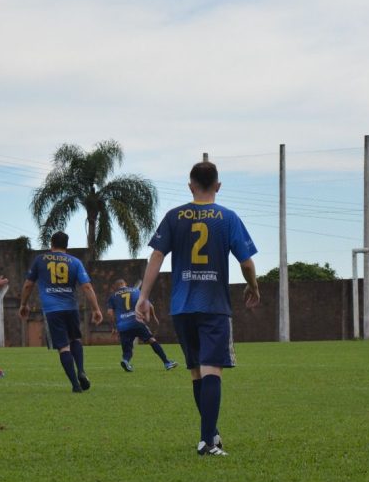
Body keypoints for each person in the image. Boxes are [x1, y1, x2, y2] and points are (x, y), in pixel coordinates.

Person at [135, 161, 259, 456]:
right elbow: (246, 262)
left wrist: (143, 296)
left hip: (182, 306)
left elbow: (156, 257)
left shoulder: (174, 216)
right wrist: (253, 286)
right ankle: (208, 441)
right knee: (212, 370)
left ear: (190, 186)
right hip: (214, 305)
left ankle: (210, 432)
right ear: (218, 185)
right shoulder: (227, 218)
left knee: (195, 373)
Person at [19, 231, 103, 393]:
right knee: (75, 339)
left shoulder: (40, 260)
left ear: (51, 244)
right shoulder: (75, 262)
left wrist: (23, 304)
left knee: (63, 347)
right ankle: (81, 371)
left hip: (52, 310)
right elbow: (86, 286)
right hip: (71, 308)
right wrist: (96, 309)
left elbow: (28, 285)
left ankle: (75, 385)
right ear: (67, 245)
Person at [106, 278, 177, 372]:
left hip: (122, 326)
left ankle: (125, 361)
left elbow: (110, 313)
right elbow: (149, 305)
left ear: (115, 287)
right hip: (136, 321)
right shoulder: (136, 291)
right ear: (125, 284)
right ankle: (167, 362)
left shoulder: (112, 296)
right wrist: (154, 317)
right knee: (151, 340)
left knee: (128, 349)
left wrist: (114, 327)